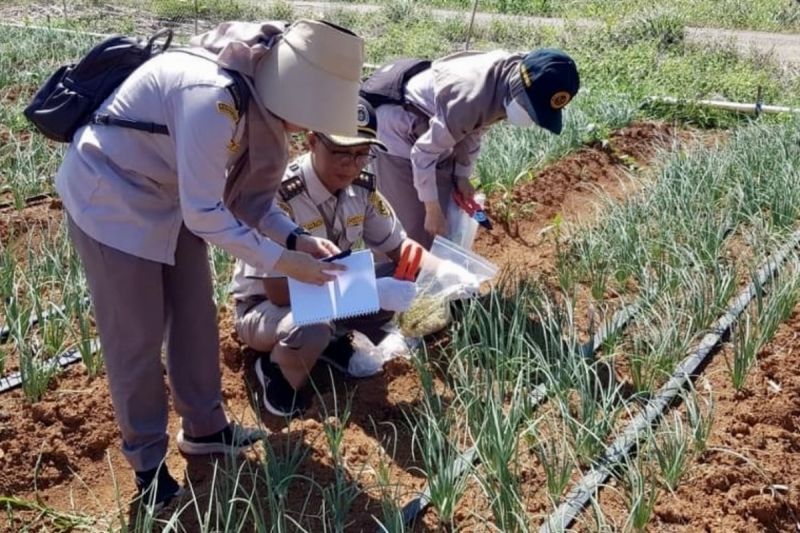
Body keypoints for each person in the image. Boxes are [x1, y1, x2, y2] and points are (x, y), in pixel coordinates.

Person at [53, 20, 364, 509]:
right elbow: (205, 213)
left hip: (170, 195)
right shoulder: (212, 97)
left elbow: (252, 202)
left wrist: (297, 240)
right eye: (310, 115)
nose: (307, 129)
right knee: (135, 337)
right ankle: (148, 467)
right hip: (111, 196)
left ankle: (205, 428)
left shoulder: (261, 102)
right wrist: (282, 262)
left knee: (195, 316)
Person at [230, 98, 423, 418]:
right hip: (267, 309)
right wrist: (370, 291)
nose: (351, 164)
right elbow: (279, 292)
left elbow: (398, 249)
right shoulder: (278, 195)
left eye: (361, 154)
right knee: (312, 327)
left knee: (396, 276)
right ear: (311, 142)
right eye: (340, 152)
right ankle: (276, 371)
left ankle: (331, 343)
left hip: (326, 292)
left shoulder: (361, 187)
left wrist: (438, 276)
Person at [363, 48, 580, 249]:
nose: (531, 116)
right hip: (399, 129)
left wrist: (462, 176)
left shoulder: (507, 78)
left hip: (433, 129)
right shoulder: (470, 98)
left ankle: (430, 277)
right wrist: (431, 209)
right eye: (531, 107)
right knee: (410, 227)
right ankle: (390, 281)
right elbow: (423, 153)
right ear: (519, 86)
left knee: (442, 214)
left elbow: (475, 130)